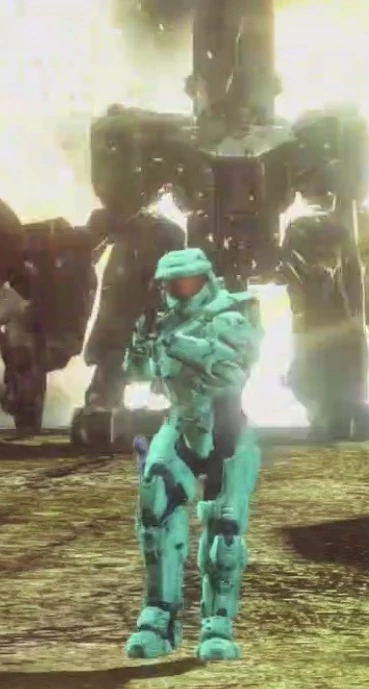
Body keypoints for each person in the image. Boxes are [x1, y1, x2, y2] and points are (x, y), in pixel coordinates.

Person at [122, 247, 264, 661]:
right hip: (180, 422)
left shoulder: (231, 313)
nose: (181, 290)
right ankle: (158, 618)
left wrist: (173, 342)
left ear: (206, 280)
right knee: (155, 512)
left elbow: (230, 371)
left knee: (225, 526)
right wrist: (142, 345)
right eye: (174, 284)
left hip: (225, 428)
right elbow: (140, 374)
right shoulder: (163, 321)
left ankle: (218, 624)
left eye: (189, 282)